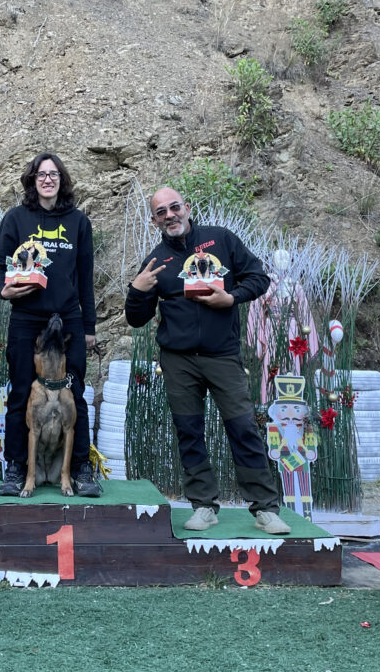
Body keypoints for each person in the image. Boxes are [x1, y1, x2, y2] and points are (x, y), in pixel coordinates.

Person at [124, 187, 290, 535]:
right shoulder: (156, 261)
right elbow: (137, 319)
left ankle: (265, 508)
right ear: (154, 221)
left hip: (222, 355)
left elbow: (258, 278)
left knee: (243, 428)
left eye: (174, 207)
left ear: (187, 208)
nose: (169, 215)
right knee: (189, 432)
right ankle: (203, 505)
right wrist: (137, 290)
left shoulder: (221, 240)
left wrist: (232, 297)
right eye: (161, 212)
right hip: (178, 361)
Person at [0, 153, 99, 497]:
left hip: (68, 320)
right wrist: (3, 290)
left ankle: (80, 468)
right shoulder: (16, 218)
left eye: (54, 174)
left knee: (74, 392)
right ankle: (16, 468)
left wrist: (89, 327)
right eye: (41, 174)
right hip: (26, 318)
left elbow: (85, 278)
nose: (47, 179)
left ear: (62, 180)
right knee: (21, 392)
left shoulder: (79, 222)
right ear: (32, 180)